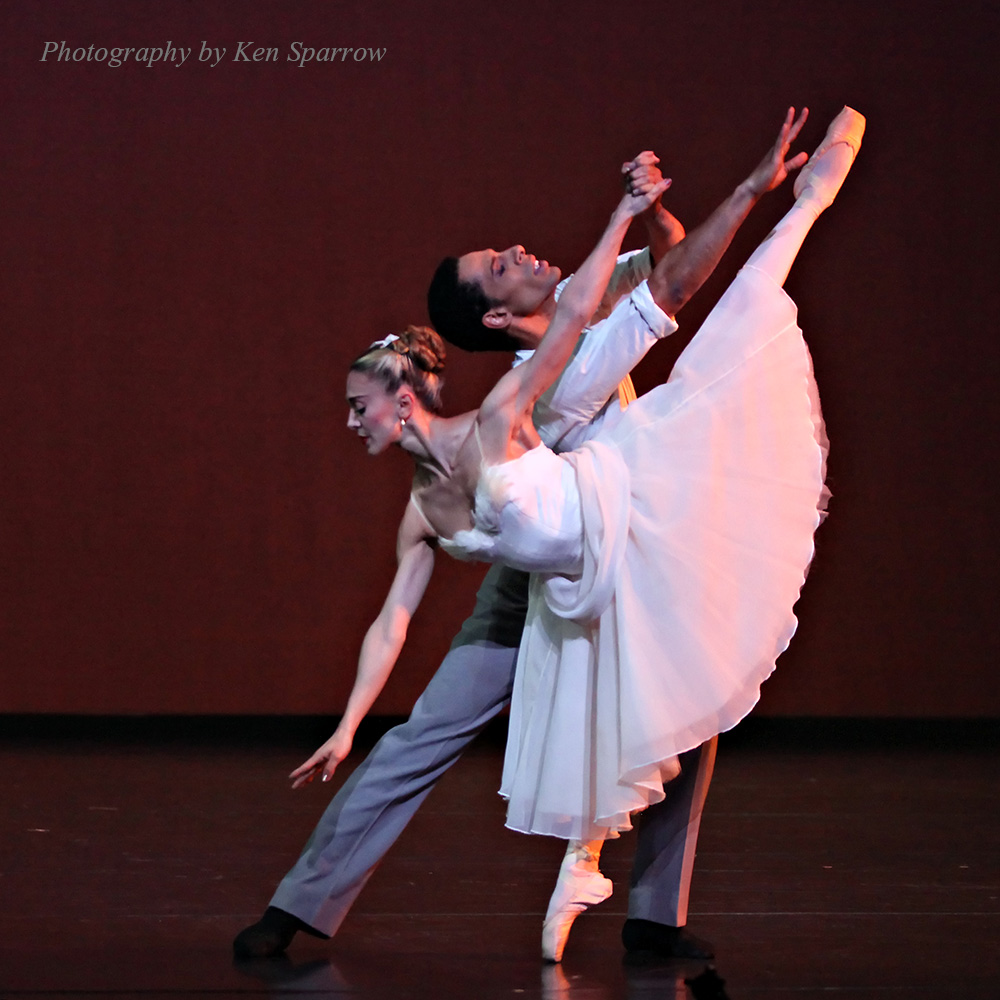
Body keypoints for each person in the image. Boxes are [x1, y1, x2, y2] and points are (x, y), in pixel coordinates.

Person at [235, 106, 864, 962]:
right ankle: (298, 906)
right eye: (501, 266)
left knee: (695, 701)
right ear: (496, 317)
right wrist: (755, 188)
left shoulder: (592, 299)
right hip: (543, 574)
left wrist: (649, 204)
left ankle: (655, 916)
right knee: (429, 729)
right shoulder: (543, 386)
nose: (521, 253)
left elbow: (674, 262)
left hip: (627, 551)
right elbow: (667, 291)